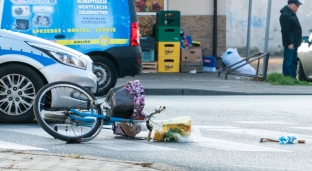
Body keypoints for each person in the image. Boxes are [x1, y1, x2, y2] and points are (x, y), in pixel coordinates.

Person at [279, 0, 302, 78]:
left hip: (294, 42)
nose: (298, 7)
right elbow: (286, 31)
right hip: (290, 43)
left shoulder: (292, 14)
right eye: (296, 5)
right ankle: (287, 78)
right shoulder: (285, 15)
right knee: (288, 62)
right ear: (290, 4)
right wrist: (290, 43)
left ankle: (292, 78)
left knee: (293, 61)